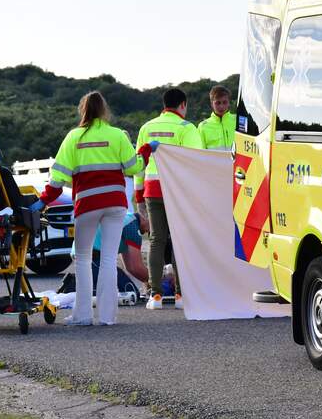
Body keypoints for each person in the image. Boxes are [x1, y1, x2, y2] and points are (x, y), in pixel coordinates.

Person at [31, 91, 142, 327]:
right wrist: (146, 152)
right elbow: (133, 167)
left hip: (87, 203)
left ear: (83, 110)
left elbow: (57, 178)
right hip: (115, 204)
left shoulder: (74, 137)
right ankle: (107, 317)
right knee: (110, 259)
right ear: (104, 110)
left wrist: (42, 201)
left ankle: (82, 316)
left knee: (82, 259)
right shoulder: (117, 135)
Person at [135, 87, 203, 310]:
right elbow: (196, 162)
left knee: (157, 240)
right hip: (178, 191)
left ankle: (155, 296)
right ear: (182, 105)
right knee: (179, 240)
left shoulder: (147, 127)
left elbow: (139, 163)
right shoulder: (187, 128)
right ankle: (181, 295)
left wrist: (138, 194)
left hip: (152, 189)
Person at [94, 211, 149, 286]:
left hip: (86, 256)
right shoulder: (132, 227)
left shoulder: (127, 218)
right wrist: (157, 282)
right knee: (130, 290)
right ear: (146, 217)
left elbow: (130, 268)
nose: (149, 232)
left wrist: (149, 282)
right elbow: (137, 268)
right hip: (93, 258)